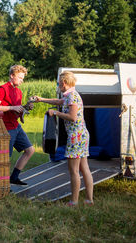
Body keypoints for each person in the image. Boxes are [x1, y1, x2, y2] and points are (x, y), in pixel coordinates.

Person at [32, 71, 94, 206]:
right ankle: (89, 200)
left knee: (74, 171)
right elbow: (59, 101)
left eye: (59, 82)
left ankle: (74, 201)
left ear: (64, 83)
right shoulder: (71, 95)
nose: (58, 85)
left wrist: (55, 112)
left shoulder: (71, 96)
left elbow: (72, 117)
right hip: (82, 135)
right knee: (85, 168)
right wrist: (41, 99)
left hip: (76, 136)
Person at [0, 65, 35, 185]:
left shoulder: (18, 91)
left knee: (30, 150)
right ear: (12, 76)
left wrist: (26, 108)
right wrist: (12, 107)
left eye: (23, 78)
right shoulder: (3, 89)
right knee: (5, 158)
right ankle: (0, 185)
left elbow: (17, 111)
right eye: (20, 77)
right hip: (5, 127)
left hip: (16, 126)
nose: (22, 80)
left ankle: (14, 177)